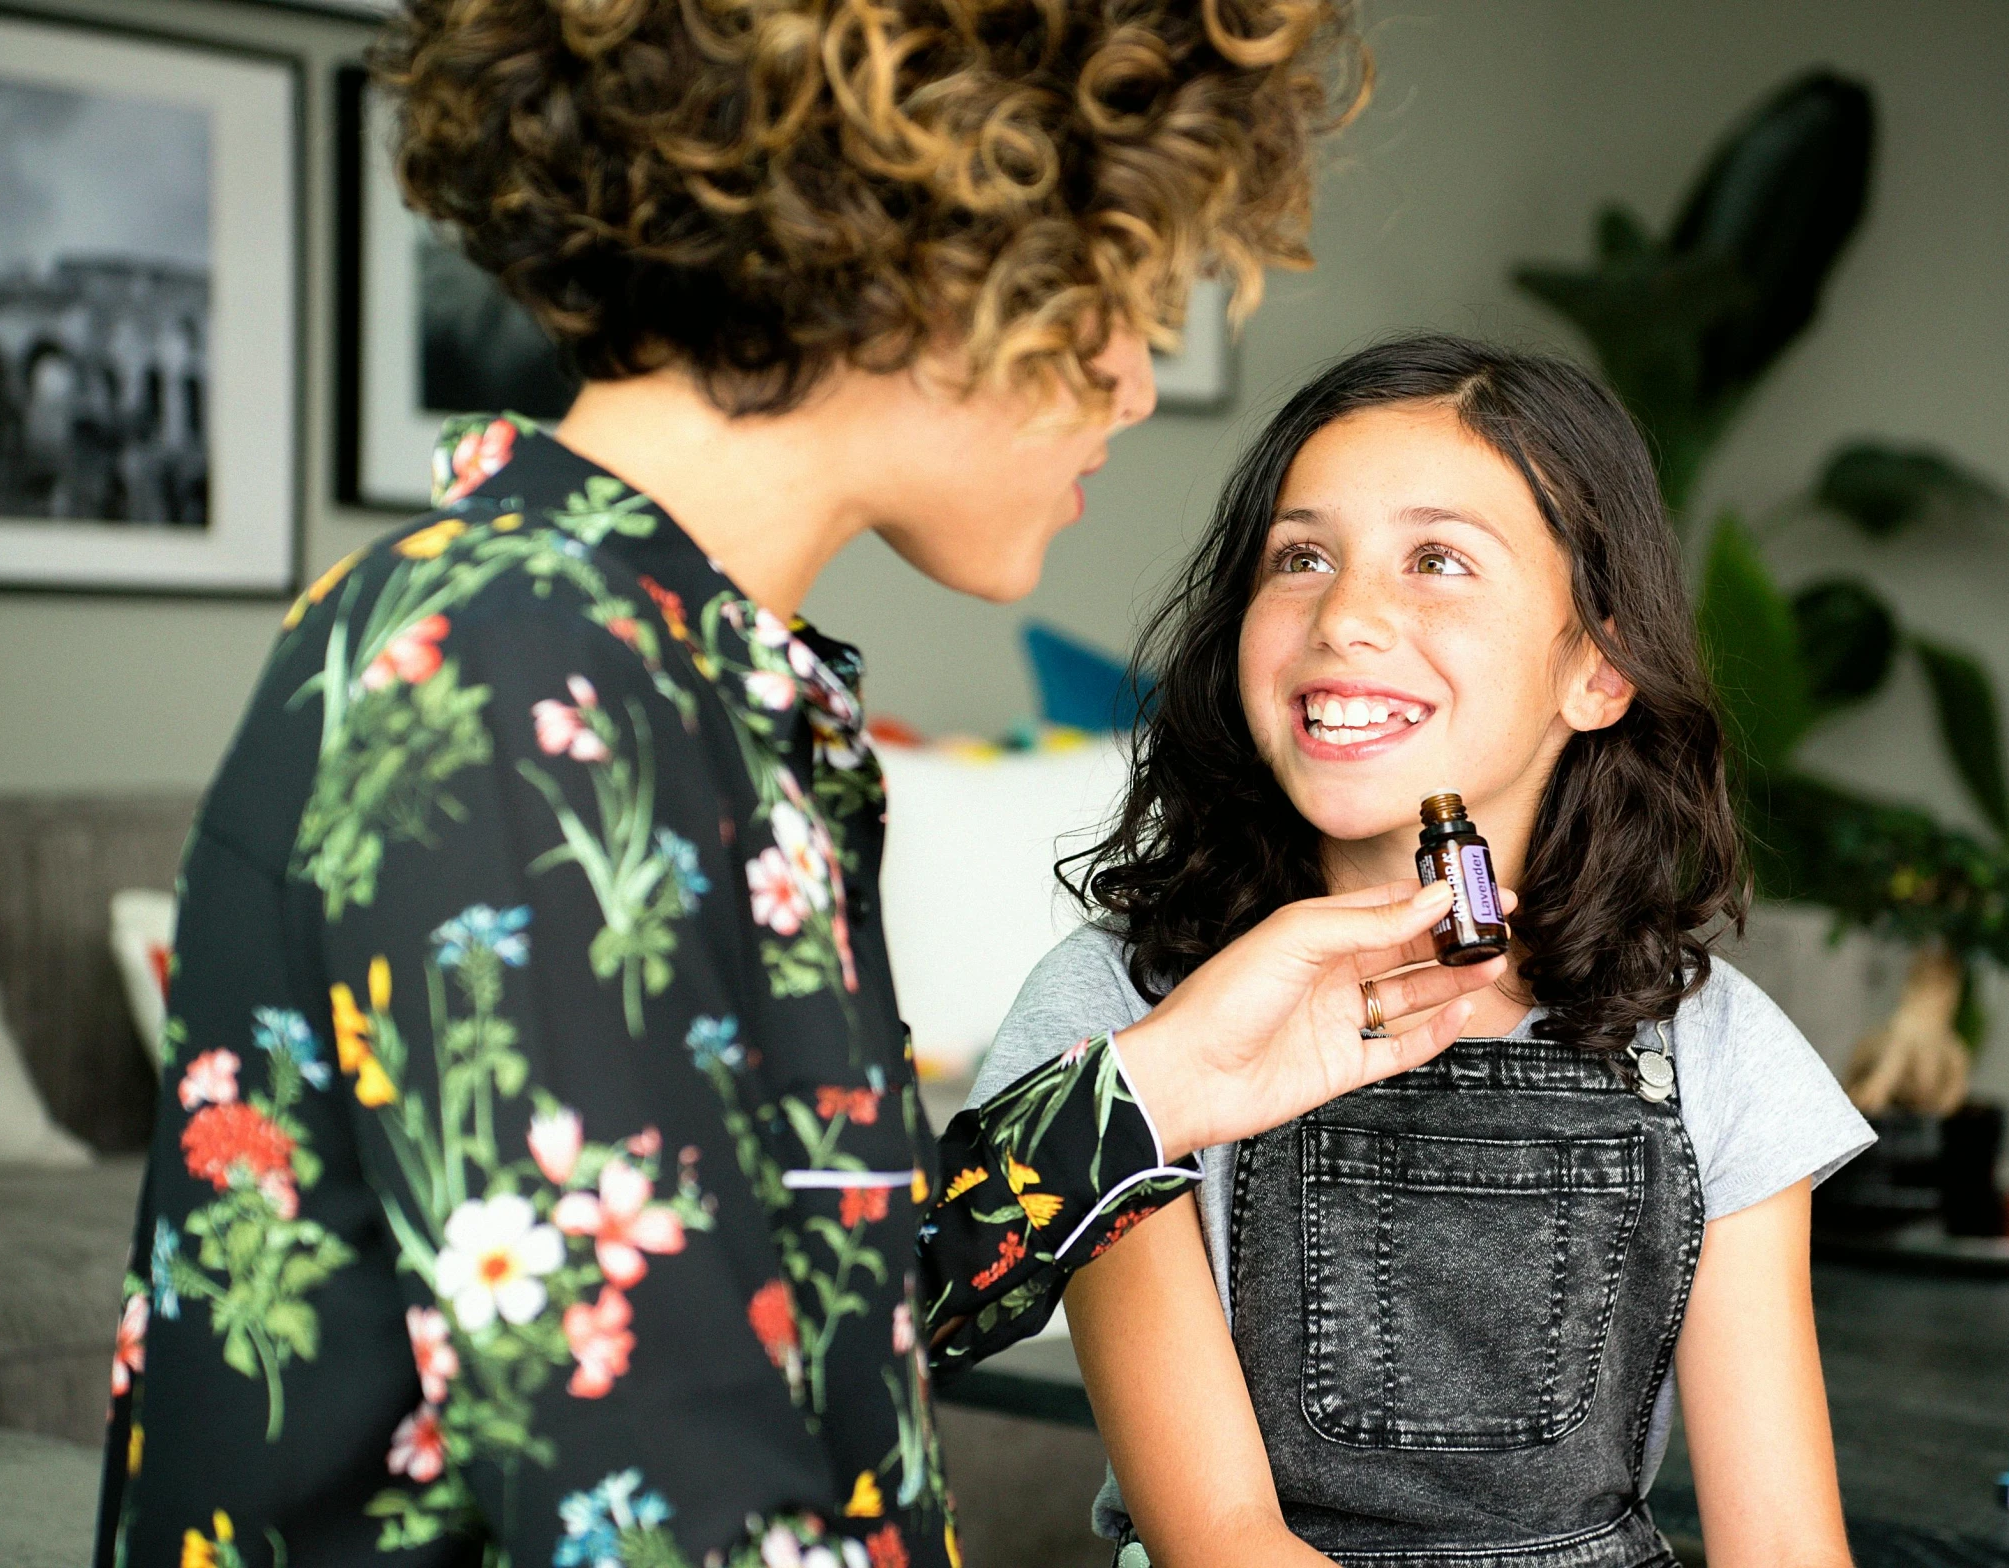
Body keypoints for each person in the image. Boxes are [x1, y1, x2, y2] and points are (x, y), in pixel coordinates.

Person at [91, 9, 1523, 1568]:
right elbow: (658, 1509)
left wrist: (1160, 1088)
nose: (1133, 376)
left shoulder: (640, 659)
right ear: (943, 236)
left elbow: (759, 1316)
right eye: (1125, 285)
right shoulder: (527, 681)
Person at [975, 335, 1876, 1568]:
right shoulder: (1121, 1018)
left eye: (1438, 560)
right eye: (1300, 557)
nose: (1345, 615)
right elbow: (1221, 1539)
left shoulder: (1715, 1043)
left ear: (1599, 667)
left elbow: (1784, 1546)